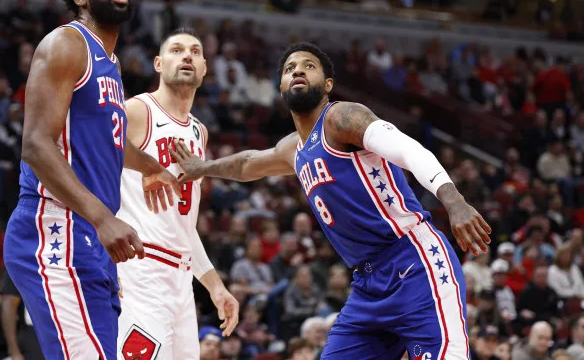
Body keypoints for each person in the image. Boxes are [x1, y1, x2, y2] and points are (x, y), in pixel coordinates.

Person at [173, 42, 492, 358]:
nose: (297, 70)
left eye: (308, 66)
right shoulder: (293, 149)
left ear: (327, 85)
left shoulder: (341, 117)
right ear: (281, 87)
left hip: (414, 261)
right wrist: (202, 167)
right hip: (367, 283)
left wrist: (454, 201)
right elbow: (248, 163)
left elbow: (408, 149)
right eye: (289, 69)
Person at [3, 0, 179, 360]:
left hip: (92, 239)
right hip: (56, 226)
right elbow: (36, 144)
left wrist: (150, 165)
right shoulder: (67, 44)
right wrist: (102, 218)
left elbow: (108, 142)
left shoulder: (110, 63)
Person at [115, 28, 238, 359]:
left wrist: (215, 286)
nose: (187, 56)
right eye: (177, 50)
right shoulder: (137, 110)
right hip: (139, 268)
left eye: (195, 52)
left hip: (181, 280)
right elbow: (88, 165)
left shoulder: (199, 131)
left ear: (205, 68)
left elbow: (183, 227)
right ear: (158, 63)